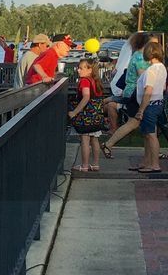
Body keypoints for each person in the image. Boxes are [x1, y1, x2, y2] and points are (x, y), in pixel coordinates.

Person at [101, 40, 165, 172]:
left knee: (150, 135)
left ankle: (154, 164)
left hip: (149, 105)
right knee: (148, 134)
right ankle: (147, 162)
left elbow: (148, 90)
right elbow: (162, 87)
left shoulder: (151, 70)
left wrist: (141, 109)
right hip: (157, 103)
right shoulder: (162, 68)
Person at [104, 31, 148, 134]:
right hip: (133, 93)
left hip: (131, 94)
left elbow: (140, 78)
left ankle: (111, 134)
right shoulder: (140, 57)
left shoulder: (137, 57)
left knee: (109, 103)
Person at [68, 59, 104, 172]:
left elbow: (86, 96)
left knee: (85, 139)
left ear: (89, 69)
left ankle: (84, 165)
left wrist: (75, 112)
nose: (78, 70)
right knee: (95, 139)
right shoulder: (95, 81)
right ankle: (95, 164)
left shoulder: (84, 81)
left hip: (86, 116)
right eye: (78, 67)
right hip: (96, 115)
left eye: (81, 68)